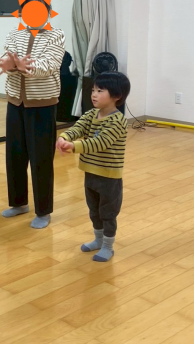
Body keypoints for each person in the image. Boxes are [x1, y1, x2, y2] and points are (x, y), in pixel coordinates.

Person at [0, 0, 65, 229]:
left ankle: (43, 211)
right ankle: (19, 203)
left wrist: (23, 66)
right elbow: (8, 58)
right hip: (15, 102)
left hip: (42, 105)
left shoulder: (56, 35)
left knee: (41, 158)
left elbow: (49, 65)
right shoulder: (15, 34)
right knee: (15, 155)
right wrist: (10, 64)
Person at [56, 71, 130, 262]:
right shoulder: (90, 114)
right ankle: (98, 240)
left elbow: (99, 143)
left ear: (117, 96)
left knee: (108, 213)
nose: (94, 94)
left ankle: (108, 247)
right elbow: (78, 128)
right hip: (90, 172)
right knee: (94, 210)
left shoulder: (118, 121)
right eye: (93, 90)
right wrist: (64, 137)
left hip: (109, 177)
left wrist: (73, 147)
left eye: (100, 91)